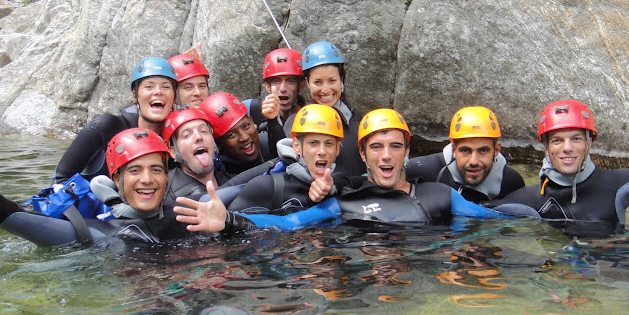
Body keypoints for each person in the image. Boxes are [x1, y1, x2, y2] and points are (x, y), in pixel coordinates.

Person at [174, 108, 510, 232]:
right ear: (363, 155)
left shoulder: (440, 195)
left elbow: (499, 223)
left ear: (408, 151)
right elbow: (288, 223)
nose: (386, 156)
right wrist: (229, 221)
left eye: (395, 146)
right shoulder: (346, 202)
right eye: (376, 147)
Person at [488, 99, 629, 235]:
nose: (567, 148)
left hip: (618, 262)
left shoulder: (619, 184)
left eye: (576, 139)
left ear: (590, 142)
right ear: (545, 147)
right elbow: (471, 210)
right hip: (557, 273)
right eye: (557, 140)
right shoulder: (529, 199)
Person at [0, 128, 190, 246]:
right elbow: (16, 217)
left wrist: (221, 221)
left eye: (156, 170)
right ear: (116, 180)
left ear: (166, 176)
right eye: (135, 171)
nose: (147, 179)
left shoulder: (188, 216)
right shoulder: (100, 230)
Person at [53, 57, 176, 183]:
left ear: (175, 97)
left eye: (165, 87)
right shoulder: (106, 127)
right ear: (135, 96)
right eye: (149, 86)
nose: (158, 92)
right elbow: (60, 180)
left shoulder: (180, 139)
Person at [225, 104, 351, 214]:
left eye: (329, 143)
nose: (322, 151)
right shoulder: (265, 187)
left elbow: (364, 182)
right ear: (296, 146)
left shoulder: (343, 182)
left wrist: (334, 186)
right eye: (313, 143)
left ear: (337, 149)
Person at [406, 106, 525, 202]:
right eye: (465, 151)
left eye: (483, 151)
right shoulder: (421, 171)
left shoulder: (512, 183)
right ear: (453, 150)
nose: (473, 161)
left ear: (496, 150)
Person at [284, 41, 366, 176]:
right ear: (308, 83)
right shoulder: (295, 123)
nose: (326, 89)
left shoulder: (359, 122)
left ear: (341, 79)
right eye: (318, 82)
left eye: (332, 81)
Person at [199, 92, 281, 176]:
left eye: (246, 126)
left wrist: (273, 122)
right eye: (231, 135)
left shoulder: (268, 144)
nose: (244, 137)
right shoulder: (218, 175)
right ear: (218, 144)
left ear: (252, 122)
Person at [160, 108, 230, 202]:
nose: (198, 137)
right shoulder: (172, 201)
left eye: (203, 131)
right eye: (187, 135)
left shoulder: (226, 172)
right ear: (173, 152)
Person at [246, 48, 306, 132]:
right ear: (267, 86)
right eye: (276, 81)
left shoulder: (310, 115)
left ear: (301, 86)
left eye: (290, 81)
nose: (283, 88)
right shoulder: (251, 109)